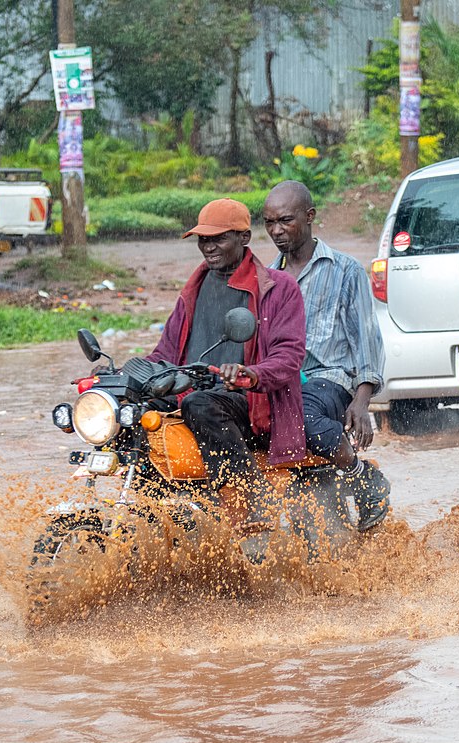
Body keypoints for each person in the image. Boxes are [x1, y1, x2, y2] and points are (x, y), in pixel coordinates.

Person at [147, 198, 306, 534]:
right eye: (203, 239)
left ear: (244, 238)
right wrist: (118, 378)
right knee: (130, 411)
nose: (208, 246)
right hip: (189, 395)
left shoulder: (279, 288)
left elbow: (289, 355)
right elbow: (165, 352)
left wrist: (252, 374)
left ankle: (252, 497)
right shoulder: (195, 287)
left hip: (248, 403)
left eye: (218, 238)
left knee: (199, 403)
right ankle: (151, 505)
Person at [261, 179, 391, 531]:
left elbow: (367, 339)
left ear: (310, 216)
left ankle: (364, 479)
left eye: (285, 220)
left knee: (300, 413)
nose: (276, 231)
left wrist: (362, 403)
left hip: (329, 380)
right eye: (269, 222)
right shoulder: (266, 279)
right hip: (281, 381)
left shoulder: (344, 270)